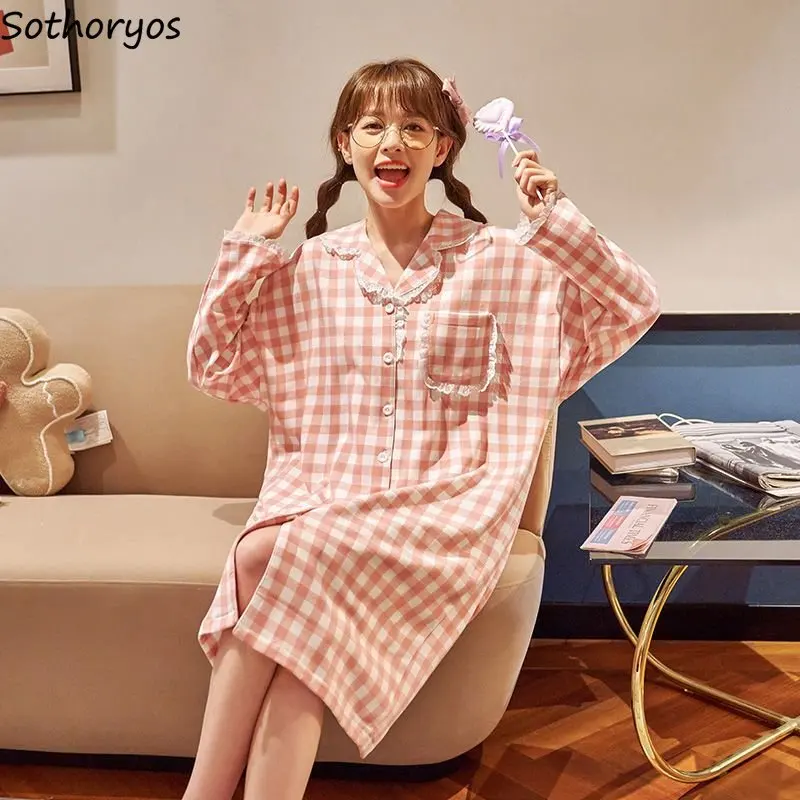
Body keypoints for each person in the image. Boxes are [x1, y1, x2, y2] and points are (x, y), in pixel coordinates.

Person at [183, 57, 660, 800]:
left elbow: (634, 304)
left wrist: (557, 220)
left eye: (413, 126)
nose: (392, 142)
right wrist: (246, 249)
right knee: (298, 640)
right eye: (373, 125)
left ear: (443, 148)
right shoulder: (313, 267)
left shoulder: (498, 260)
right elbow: (211, 365)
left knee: (263, 554)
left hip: (450, 509)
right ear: (344, 143)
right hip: (330, 497)